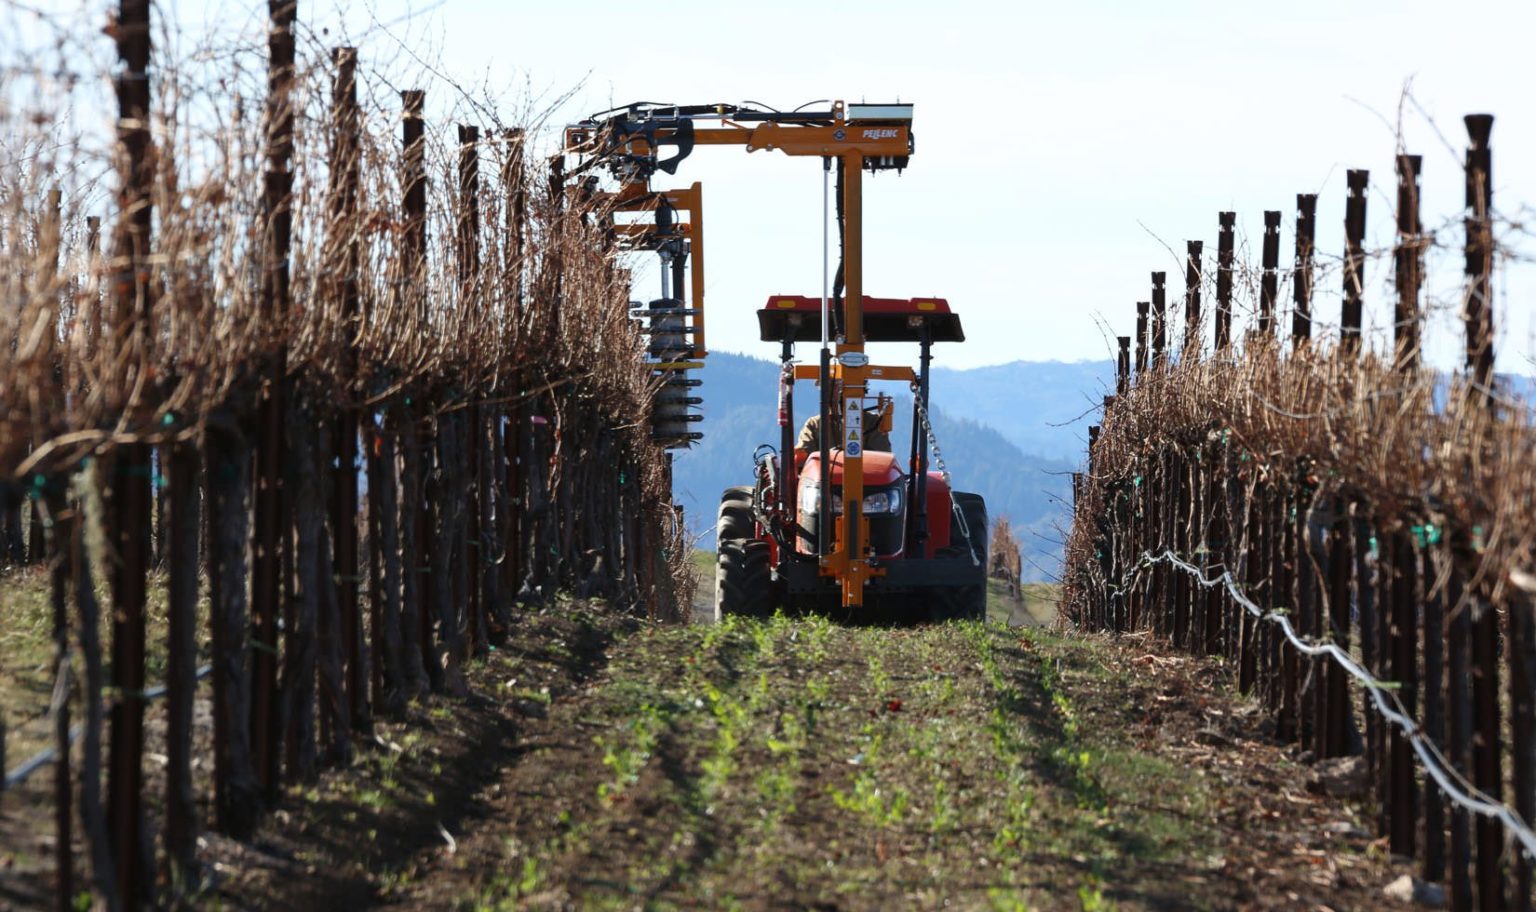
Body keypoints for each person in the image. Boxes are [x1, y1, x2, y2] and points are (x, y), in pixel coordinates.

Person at [794, 393, 892, 469]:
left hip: (867, 485)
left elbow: (882, 460)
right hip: (822, 484)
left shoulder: (873, 422)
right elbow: (802, 458)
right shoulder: (814, 424)